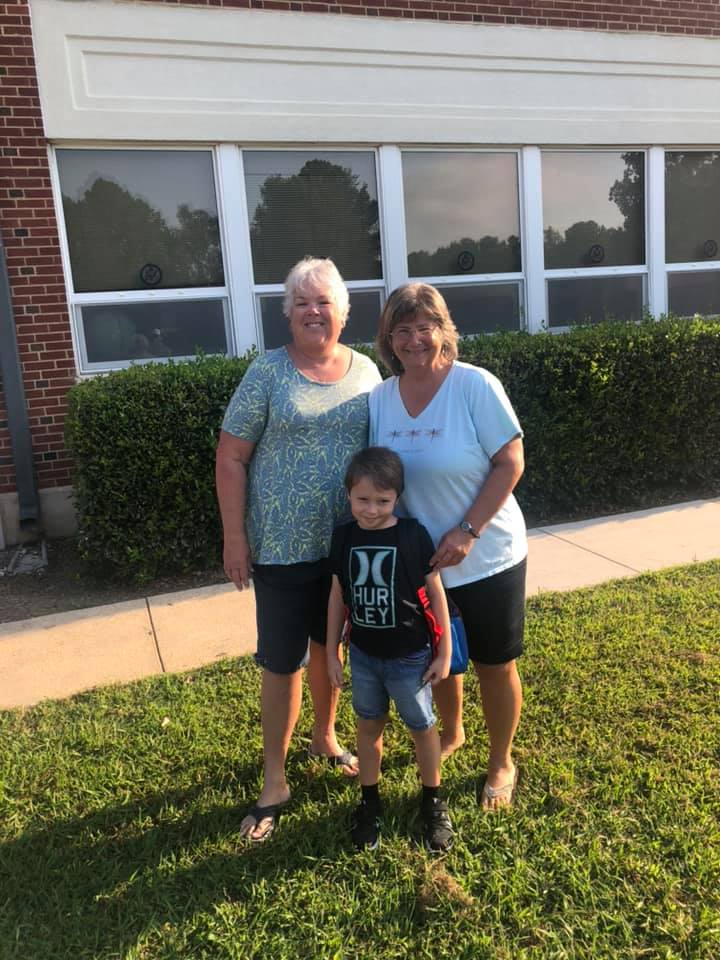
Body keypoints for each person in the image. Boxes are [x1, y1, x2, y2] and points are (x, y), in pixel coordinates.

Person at [215, 257, 382, 841]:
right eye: (302, 302)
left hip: (346, 546)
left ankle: (325, 737)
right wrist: (235, 536)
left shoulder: (368, 372)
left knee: (330, 646)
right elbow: (231, 456)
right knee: (281, 660)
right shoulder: (267, 372)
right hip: (281, 547)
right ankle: (275, 780)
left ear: (344, 312)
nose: (314, 311)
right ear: (288, 314)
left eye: (324, 301)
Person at [370, 283, 527, 810]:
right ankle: (453, 731)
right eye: (402, 330)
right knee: (439, 658)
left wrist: (467, 531)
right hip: (424, 564)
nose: (414, 339)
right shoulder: (381, 398)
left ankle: (501, 760)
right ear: (389, 339)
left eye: (425, 327)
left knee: (493, 664)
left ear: (443, 331)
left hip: (487, 555)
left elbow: (510, 461)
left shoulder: (474, 385)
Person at [326, 447, 453, 852]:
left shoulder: (412, 534)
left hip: (410, 658)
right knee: (368, 727)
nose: (371, 509)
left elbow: (436, 592)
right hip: (364, 656)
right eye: (362, 499)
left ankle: (432, 801)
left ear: (397, 496)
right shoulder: (344, 536)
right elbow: (337, 596)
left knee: (422, 728)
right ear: (348, 494)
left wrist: (444, 652)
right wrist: (332, 651)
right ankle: (370, 802)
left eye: (382, 501)